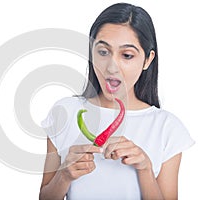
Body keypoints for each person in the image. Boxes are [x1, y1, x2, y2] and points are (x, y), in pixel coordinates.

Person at [39, 3, 194, 200]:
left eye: (127, 55)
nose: (112, 67)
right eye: (103, 52)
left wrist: (145, 168)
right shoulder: (64, 112)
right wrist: (64, 175)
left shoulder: (168, 128)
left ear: (147, 60)